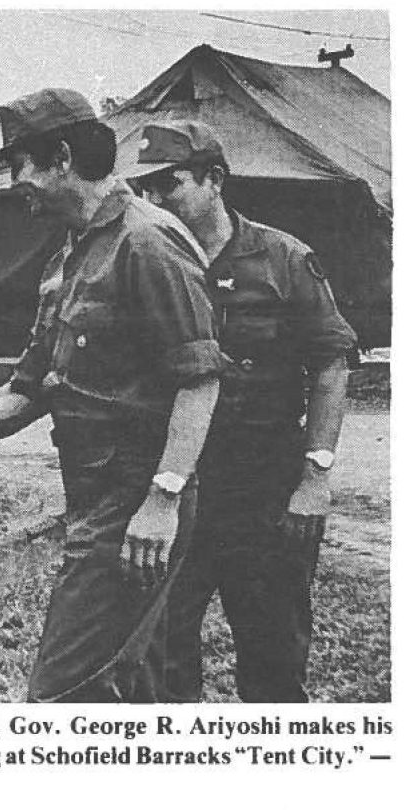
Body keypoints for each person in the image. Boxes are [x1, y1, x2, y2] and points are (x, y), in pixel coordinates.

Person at [0, 89, 223, 702]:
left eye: (20, 165)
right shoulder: (74, 250)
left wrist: (162, 499)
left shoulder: (147, 241)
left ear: (61, 157)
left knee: (60, 695)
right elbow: (29, 389)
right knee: (128, 691)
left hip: (134, 500)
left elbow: (200, 378)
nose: (15, 183)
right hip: (96, 493)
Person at [127, 121, 357, 702]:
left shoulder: (281, 257)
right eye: (144, 189)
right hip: (174, 484)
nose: (153, 201)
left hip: (263, 485)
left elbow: (331, 362)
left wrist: (316, 477)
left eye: (169, 185)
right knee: (164, 661)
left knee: (274, 658)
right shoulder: (143, 259)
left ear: (216, 180)